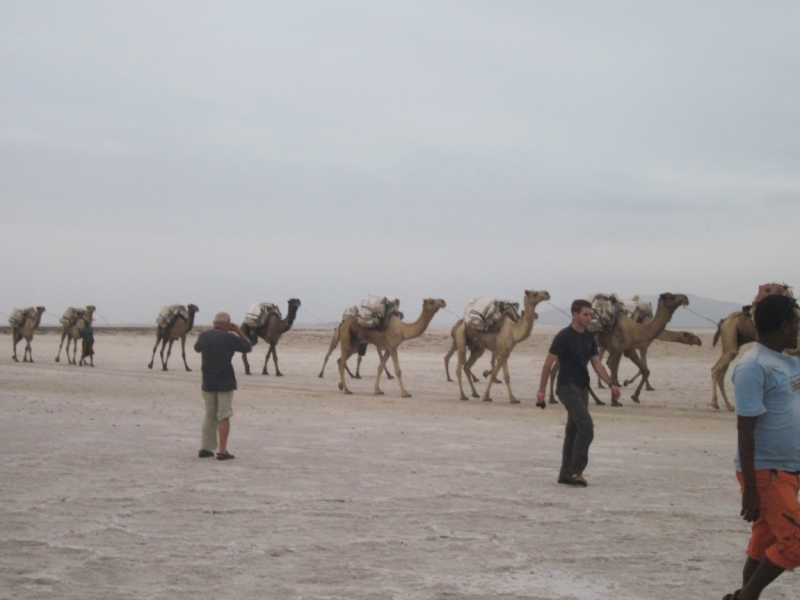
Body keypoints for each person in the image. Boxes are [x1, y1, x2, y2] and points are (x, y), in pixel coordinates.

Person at [722, 294, 800, 600]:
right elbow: (745, 428)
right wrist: (751, 488)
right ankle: (745, 597)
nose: (798, 328)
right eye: (796, 322)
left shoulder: (790, 362)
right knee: (795, 540)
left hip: (788, 469)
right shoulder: (752, 367)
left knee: (764, 540)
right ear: (783, 326)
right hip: (766, 473)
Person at [536, 299, 620, 487]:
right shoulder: (564, 336)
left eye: (590, 315)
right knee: (586, 426)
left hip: (582, 387)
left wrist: (611, 384)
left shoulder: (589, 337)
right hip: (566, 387)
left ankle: (565, 474)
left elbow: (597, 364)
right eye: (585, 314)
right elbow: (548, 364)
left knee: (573, 431)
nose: (589, 318)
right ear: (575, 315)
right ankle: (576, 471)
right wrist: (541, 390)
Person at [193, 312, 252, 461]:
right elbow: (248, 346)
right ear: (227, 325)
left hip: (207, 380)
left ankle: (205, 448)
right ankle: (222, 451)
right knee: (224, 415)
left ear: (214, 324)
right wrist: (239, 332)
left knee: (209, 415)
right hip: (225, 381)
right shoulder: (230, 338)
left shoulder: (204, 336)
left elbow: (197, 348)